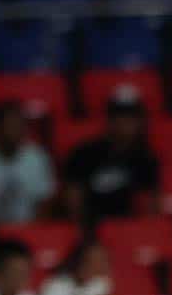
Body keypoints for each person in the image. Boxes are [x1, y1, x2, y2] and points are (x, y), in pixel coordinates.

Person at [62, 94, 160, 223]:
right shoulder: (84, 153)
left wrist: (140, 231)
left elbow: (152, 205)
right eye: (120, 117)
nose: (126, 123)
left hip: (128, 227)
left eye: (132, 118)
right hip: (91, 226)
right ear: (109, 120)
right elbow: (73, 201)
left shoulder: (145, 158)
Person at [40, 240, 114, 295]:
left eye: (103, 260)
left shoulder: (102, 284)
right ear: (81, 262)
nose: (102, 266)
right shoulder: (55, 286)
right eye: (95, 260)